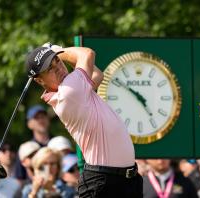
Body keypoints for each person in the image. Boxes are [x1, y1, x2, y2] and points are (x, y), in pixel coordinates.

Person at [25, 44, 142, 197]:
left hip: (126, 180)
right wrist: (57, 50)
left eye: (58, 62)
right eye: (50, 69)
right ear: (40, 81)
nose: (59, 68)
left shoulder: (75, 90)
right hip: (102, 182)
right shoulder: (68, 91)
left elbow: (97, 75)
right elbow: (87, 53)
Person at [14, 105, 51, 185]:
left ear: (48, 119)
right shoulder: (25, 150)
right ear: (29, 124)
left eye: (43, 116)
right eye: (36, 118)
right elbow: (20, 180)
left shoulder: (58, 143)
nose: (41, 120)